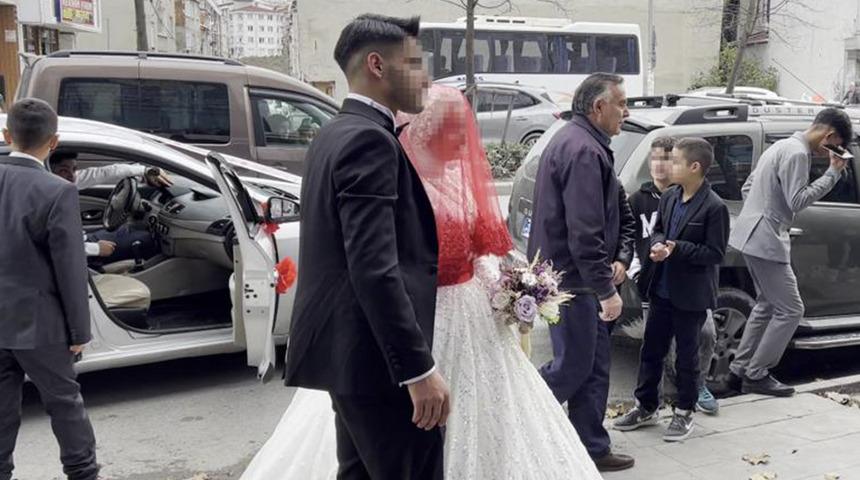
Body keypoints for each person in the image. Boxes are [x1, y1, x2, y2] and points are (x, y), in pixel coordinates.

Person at [242, 85, 605, 479]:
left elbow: (475, 252)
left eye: (462, 130)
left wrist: (508, 292)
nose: (463, 140)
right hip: (420, 313)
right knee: (391, 440)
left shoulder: (456, 181)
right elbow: (381, 262)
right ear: (430, 129)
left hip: (471, 316)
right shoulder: (396, 175)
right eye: (454, 130)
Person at [283, 15, 449, 479]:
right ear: (377, 65)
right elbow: (374, 268)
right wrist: (417, 370)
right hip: (378, 365)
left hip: (351, 360)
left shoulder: (334, 132)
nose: (426, 78)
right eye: (415, 63)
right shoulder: (368, 140)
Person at [526, 72, 636, 472]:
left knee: (593, 366)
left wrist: (618, 261)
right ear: (598, 107)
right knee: (572, 366)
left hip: (573, 278)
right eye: (621, 103)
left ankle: (590, 445)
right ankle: (520, 421)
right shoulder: (583, 149)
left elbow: (611, 217)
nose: (626, 111)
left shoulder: (582, 142)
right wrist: (606, 290)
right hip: (573, 282)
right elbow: (584, 232)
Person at [0, 99, 100, 480]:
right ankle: (82, 474)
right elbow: (70, 267)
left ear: (7, 136)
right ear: (53, 142)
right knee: (63, 403)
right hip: (40, 324)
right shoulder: (57, 191)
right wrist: (79, 331)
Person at [729, 108, 852, 397]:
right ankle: (756, 373)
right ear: (830, 136)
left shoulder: (780, 145)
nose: (831, 153)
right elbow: (797, 200)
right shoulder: (797, 153)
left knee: (766, 305)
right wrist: (833, 174)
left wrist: (762, 213)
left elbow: (749, 187)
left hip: (751, 234)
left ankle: (739, 369)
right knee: (792, 309)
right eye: (837, 146)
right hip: (767, 239)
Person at [613, 138, 730, 441]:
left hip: (690, 294)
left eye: (676, 161)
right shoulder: (670, 196)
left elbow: (715, 253)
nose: (668, 166)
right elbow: (659, 229)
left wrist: (677, 249)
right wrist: (657, 245)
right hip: (660, 287)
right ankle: (646, 406)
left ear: (695, 167)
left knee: (686, 357)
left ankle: (684, 412)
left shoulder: (714, 207)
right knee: (651, 350)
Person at [49, 151, 169, 265]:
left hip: (81, 242)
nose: (72, 176)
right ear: (48, 171)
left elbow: (105, 173)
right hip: (78, 252)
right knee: (147, 240)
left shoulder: (64, 183)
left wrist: (144, 171)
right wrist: (96, 249)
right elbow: (54, 245)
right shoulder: (46, 201)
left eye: (74, 169)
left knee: (130, 230)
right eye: (64, 171)